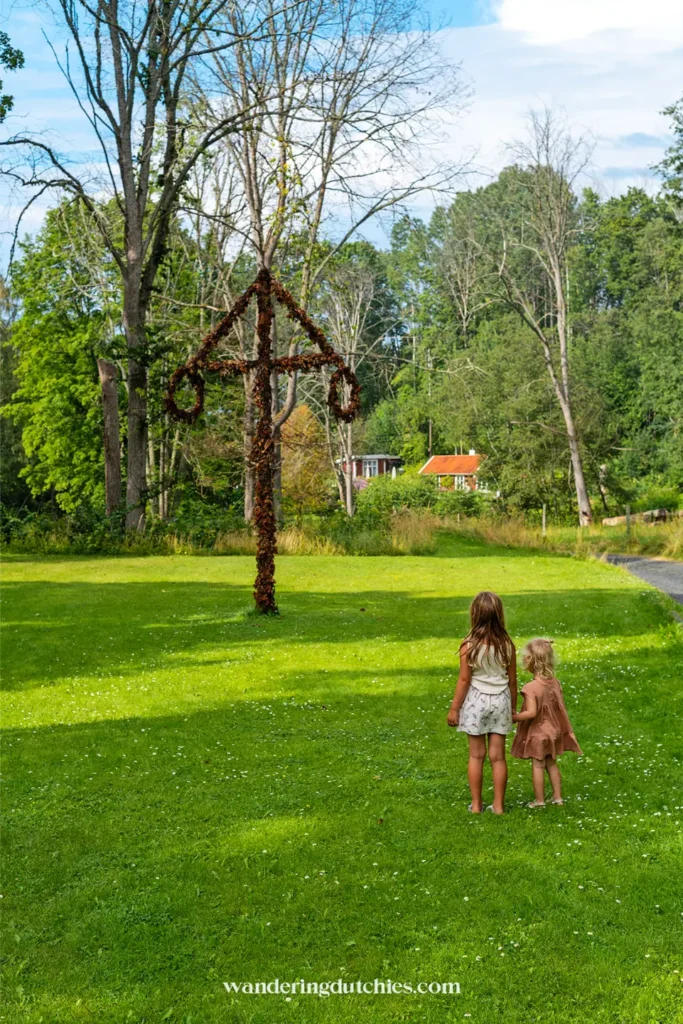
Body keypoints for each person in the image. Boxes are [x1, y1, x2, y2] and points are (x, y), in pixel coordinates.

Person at [447, 591, 517, 815]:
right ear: (499, 615)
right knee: (498, 757)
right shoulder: (508, 645)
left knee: (476, 755)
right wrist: (513, 708)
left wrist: (454, 708)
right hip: (501, 701)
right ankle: (498, 806)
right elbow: (513, 680)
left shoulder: (469, 645)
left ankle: (476, 805)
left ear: (475, 615)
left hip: (476, 702)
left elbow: (465, 679)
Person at [511, 638, 583, 807]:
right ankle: (558, 798)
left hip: (539, 733)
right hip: (554, 730)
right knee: (551, 763)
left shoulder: (531, 687)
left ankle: (539, 801)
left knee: (538, 765)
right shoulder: (555, 683)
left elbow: (531, 713)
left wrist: (513, 717)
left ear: (529, 661)